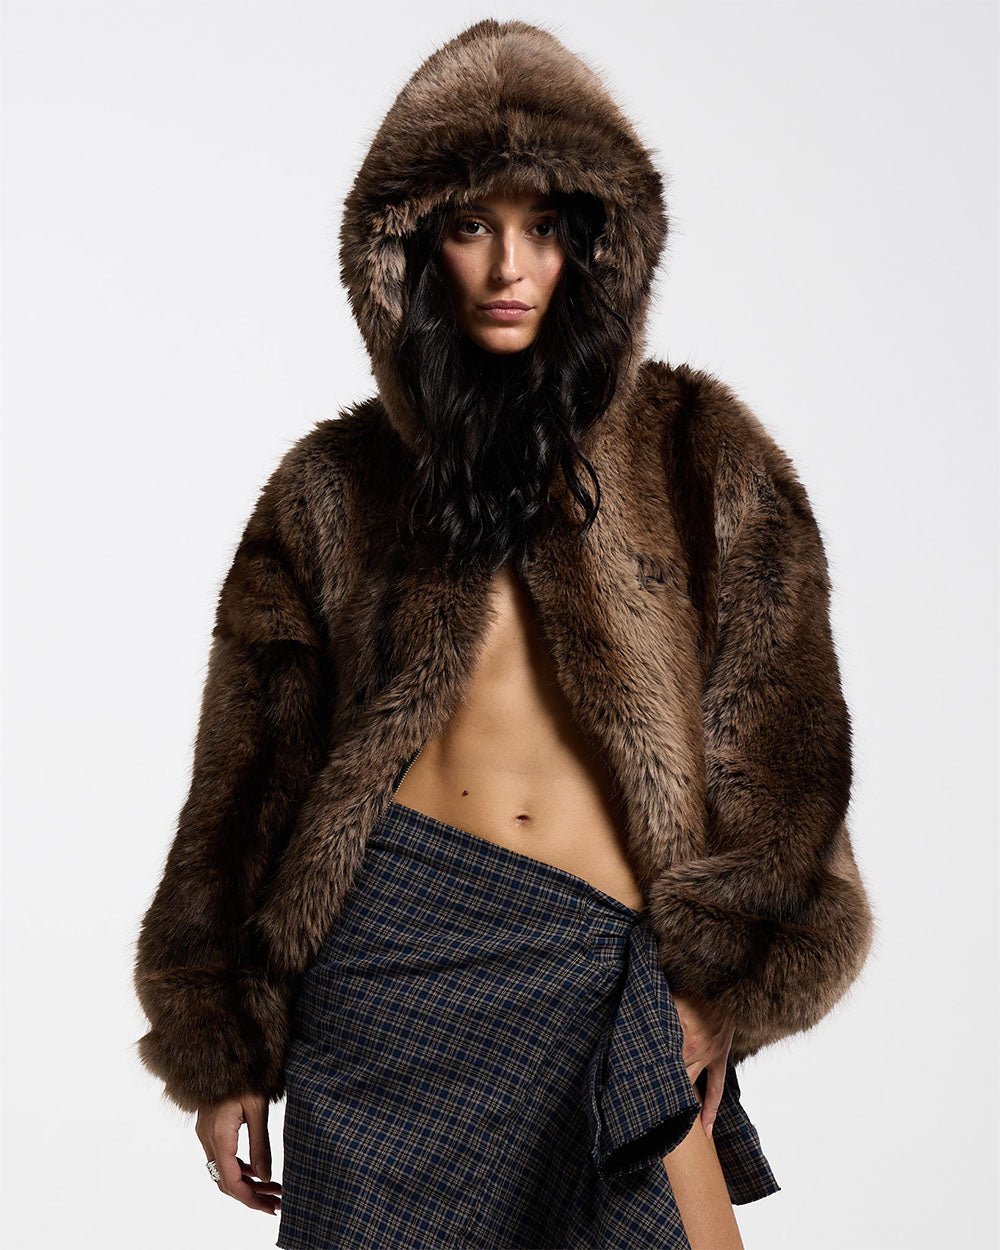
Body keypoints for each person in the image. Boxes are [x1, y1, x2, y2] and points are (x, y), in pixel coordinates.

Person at [132, 19, 876, 1250]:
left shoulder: (701, 452)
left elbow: (787, 753)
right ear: (412, 249)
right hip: (385, 985)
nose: (509, 265)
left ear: (599, 244)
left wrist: (725, 983)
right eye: (472, 225)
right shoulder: (329, 487)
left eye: (545, 225)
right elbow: (243, 785)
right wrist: (224, 1045)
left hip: (603, 970)